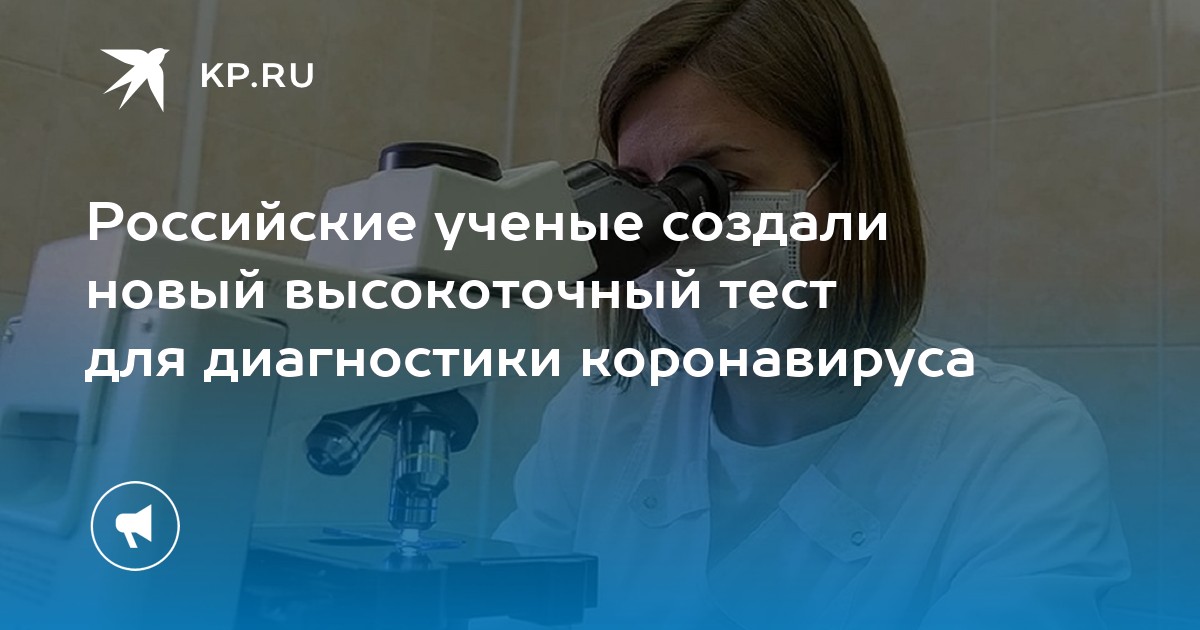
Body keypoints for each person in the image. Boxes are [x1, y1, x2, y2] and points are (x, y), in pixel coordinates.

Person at [494, 0, 1130, 627]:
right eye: (637, 190)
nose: (667, 232)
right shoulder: (598, 415)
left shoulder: (1020, 448)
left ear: (850, 187)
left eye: (720, 183)